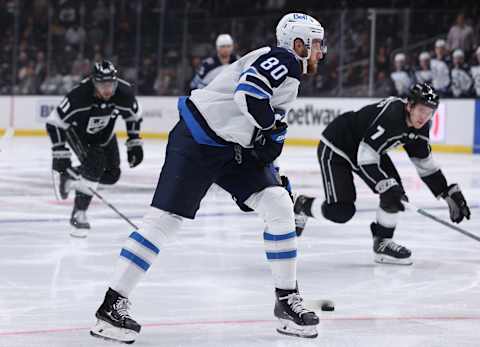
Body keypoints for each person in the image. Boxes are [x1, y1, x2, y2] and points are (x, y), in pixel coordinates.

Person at [90, 13, 327, 343]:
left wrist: (268, 169)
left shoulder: (286, 69)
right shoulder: (284, 59)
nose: (322, 51)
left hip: (231, 147)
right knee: (164, 221)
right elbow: (249, 96)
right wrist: (272, 128)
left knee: (278, 204)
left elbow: (257, 129)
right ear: (298, 44)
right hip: (199, 140)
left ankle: (286, 300)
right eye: (317, 44)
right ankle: (111, 306)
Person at [294, 83, 470, 265]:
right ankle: (302, 205)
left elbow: (424, 163)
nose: (424, 117)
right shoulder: (392, 115)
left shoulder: (422, 127)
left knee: (396, 191)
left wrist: (446, 191)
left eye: (429, 112)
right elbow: (365, 156)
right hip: (338, 146)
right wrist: (385, 185)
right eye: (421, 110)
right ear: (409, 105)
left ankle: (382, 243)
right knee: (341, 211)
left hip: (368, 149)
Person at [45, 60, 143, 238]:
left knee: (112, 175)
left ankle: (69, 178)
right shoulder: (79, 95)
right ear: (93, 82)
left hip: (105, 136)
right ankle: (79, 213)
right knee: (95, 164)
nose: (107, 89)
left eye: (111, 84)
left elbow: (134, 116)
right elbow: (54, 122)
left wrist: (134, 142)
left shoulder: (124, 92)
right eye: (102, 84)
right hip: (78, 133)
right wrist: (60, 153)